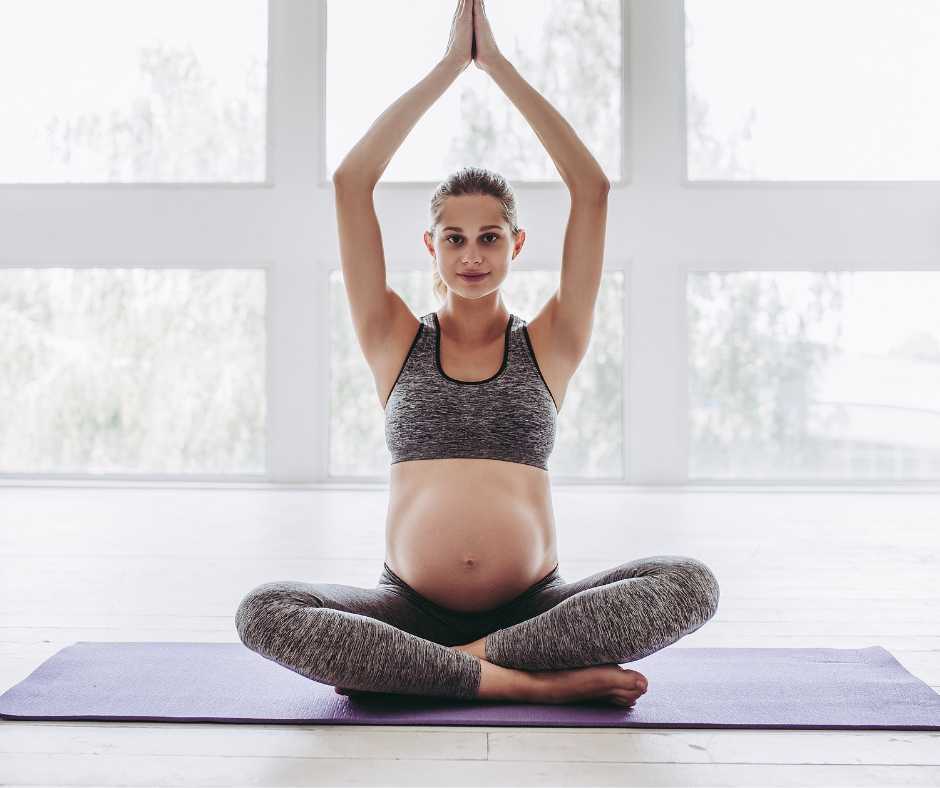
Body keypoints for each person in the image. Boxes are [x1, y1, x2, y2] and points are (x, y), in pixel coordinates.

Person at [236, 0, 719, 707]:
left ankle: (438, 669)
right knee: (265, 609)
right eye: (454, 238)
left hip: (537, 609)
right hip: (407, 609)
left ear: (515, 245)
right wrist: (444, 71)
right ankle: (529, 685)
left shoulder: (549, 342)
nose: (471, 255)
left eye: (490, 236)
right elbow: (350, 184)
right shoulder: (393, 337)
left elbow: (591, 190)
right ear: (431, 246)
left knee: (690, 582)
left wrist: (497, 67)